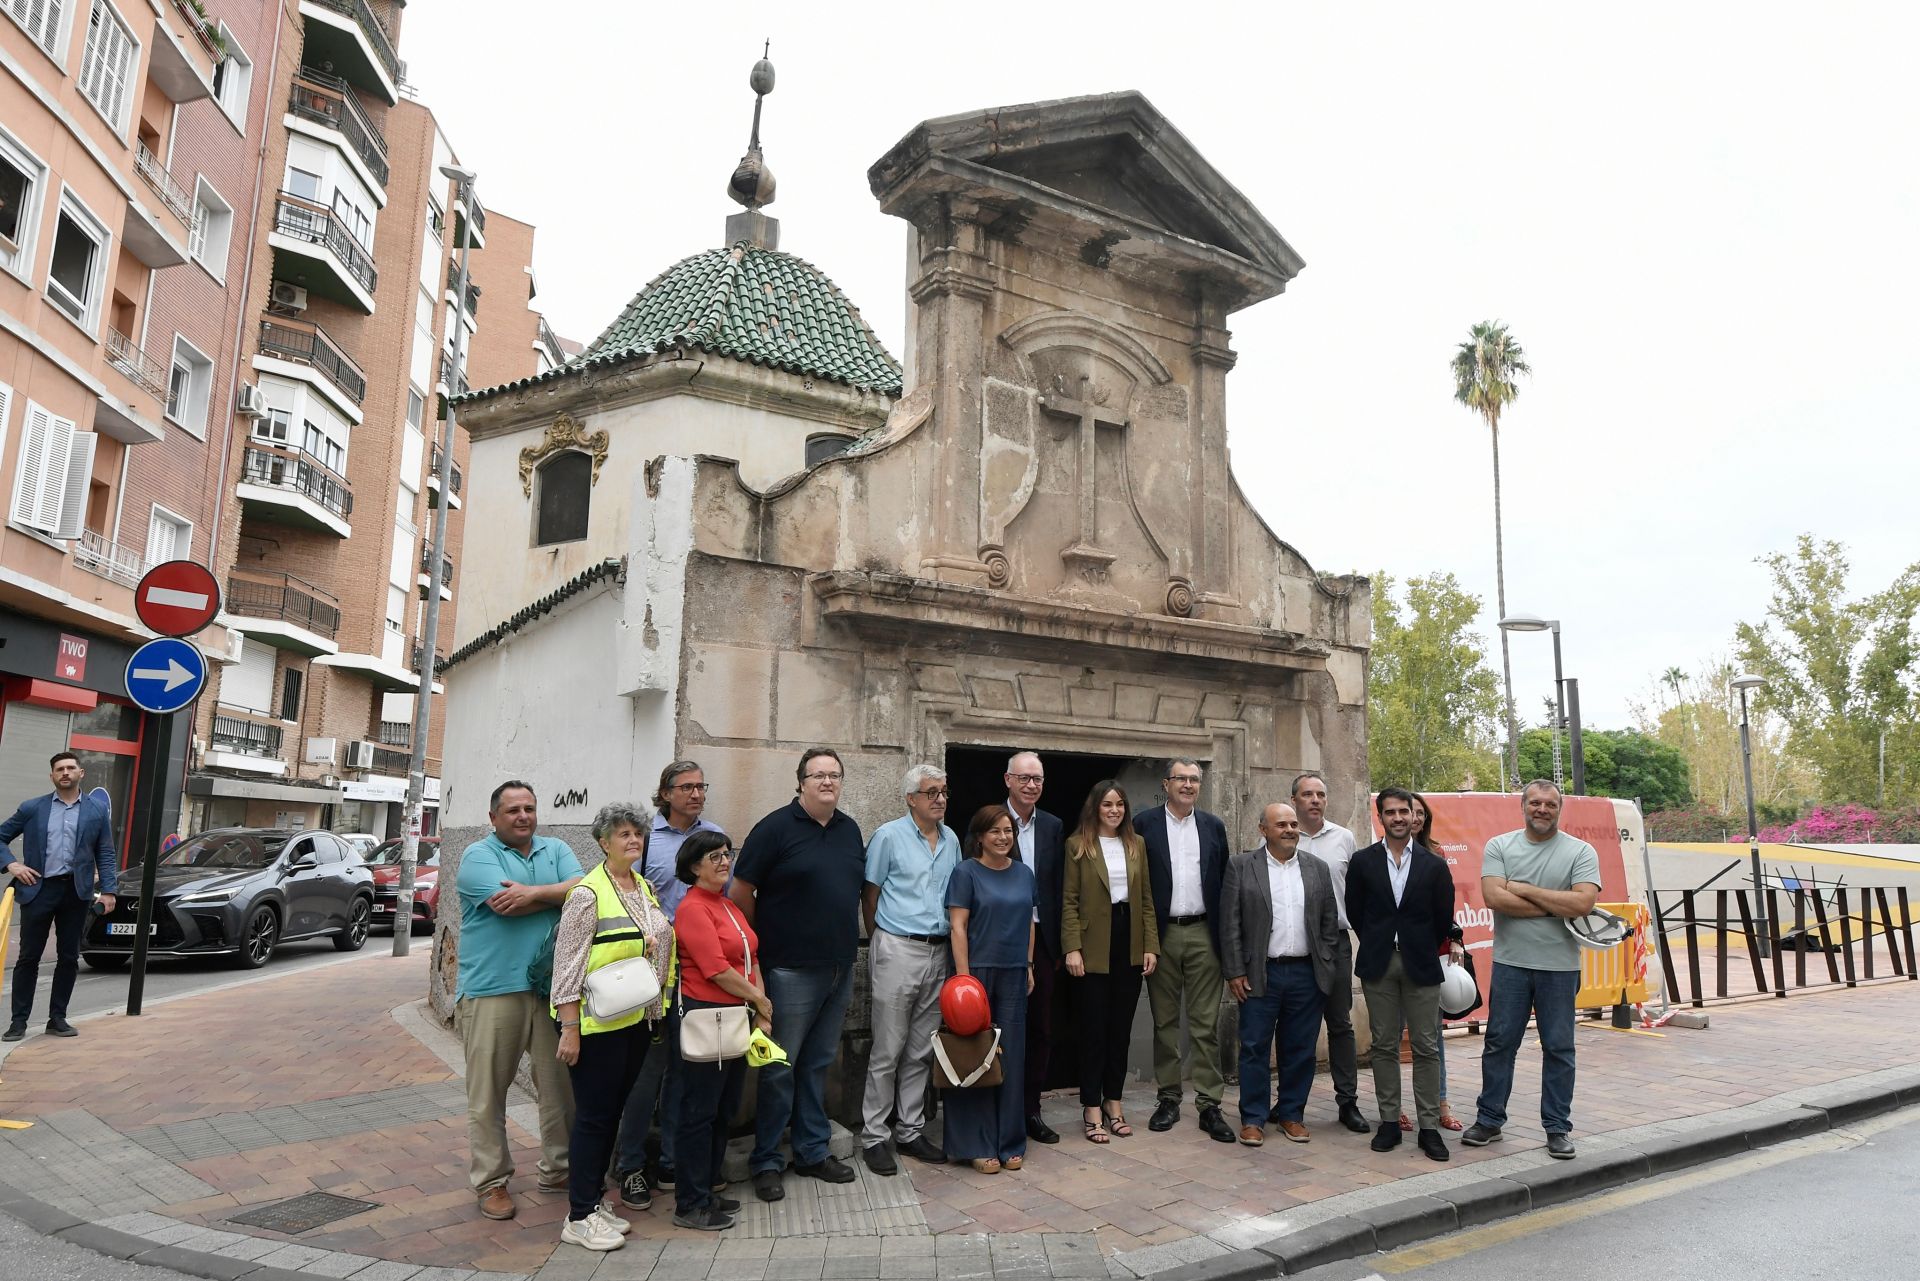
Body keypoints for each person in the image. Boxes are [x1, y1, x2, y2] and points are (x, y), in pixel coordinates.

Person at [732, 747, 866, 1202]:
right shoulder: (774, 828)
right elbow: (740, 891)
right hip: (788, 970)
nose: (828, 782)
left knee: (817, 1064)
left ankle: (811, 1151)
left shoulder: (850, 830)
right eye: (818, 775)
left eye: (835, 775)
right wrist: (761, 946)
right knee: (778, 1067)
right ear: (801, 782)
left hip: (839, 966)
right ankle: (767, 1160)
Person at [550, 803, 677, 1250]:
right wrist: (569, 1027)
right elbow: (567, 965)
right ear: (603, 842)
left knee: (611, 1116)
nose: (633, 841)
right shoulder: (587, 894)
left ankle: (593, 1200)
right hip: (594, 1025)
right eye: (623, 834)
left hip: (635, 1020)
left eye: (637, 834)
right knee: (594, 1118)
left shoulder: (640, 886)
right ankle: (579, 1215)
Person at [456, 781, 583, 1221]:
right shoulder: (478, 856)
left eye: (529, 808)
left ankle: (559, 1170)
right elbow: (503, 905)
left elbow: (584, 893)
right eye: (513, 810)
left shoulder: (556, 847)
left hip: (552, 992)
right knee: (489, 1093)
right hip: (493, 990)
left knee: (559, 1088)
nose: (523, 816)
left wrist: (531, 894)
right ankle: (491, 1181)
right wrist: (555, 896)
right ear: (494, 817)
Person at [1463, 781, 1601, 1161]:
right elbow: (1494, 897)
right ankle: (1489, 1120)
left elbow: (1585, 902)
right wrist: (1558, 905)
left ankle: (1557, 1128)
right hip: (1511, 965)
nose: (1542, 809)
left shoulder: (1580, 851)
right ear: (1523, 806)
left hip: (1560, 967)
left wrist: (1522, 889)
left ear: (1560, 809)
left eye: (1550, 804)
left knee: (1559, 1048)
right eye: (1535, 803)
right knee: (1499, 1044)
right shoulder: (1499, 846)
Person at [614, 760, 724, 1207]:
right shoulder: (643, 838)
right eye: (686, 787)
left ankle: (673, 1163)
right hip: (653, 974)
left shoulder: (713, 835)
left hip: (700, 974)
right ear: (665, 793)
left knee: (686, 1071)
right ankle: (630, 1165)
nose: (696, 794)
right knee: (646, 1074)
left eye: (701, 786)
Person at [859, 765, 960, 1175]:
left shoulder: (951, 839)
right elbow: (871, 893)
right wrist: (879, 942)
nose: (939, 798)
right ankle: (874, 1136)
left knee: (921, 1048)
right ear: (911, 799)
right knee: (887, 1047)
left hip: (938, 951)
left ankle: (910, 1129)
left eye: (944, 791)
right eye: (931, 792)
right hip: (898, 947)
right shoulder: (888, 836)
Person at [1346, 788, 1456, 1162]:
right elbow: (1355, 911)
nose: (1397, 817)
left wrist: (1417, 944)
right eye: (1389, 812)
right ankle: (1389, 1122)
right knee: (1384, 1045)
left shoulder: (1434, 864)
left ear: (1414, 816)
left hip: (1421, 964)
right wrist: (1379, 941)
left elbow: (1443, 918)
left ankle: (1428, 1127)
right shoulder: (1362, 862)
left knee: (1426, 1046)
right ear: (1380, 817)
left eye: (1403, 811)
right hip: (1379, 963)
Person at [1219, 803, 1339, 1145]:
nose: (1290, 829)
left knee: (1300, 1049)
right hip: (1260, 973)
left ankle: (1291, 1114)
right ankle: (1253, 1118)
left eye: (1293, 824)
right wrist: (1235, 971)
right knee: (1255, 1047)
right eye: (1281, 824)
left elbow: (1329, 922)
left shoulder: (1317, 868)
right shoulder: (1242, 866)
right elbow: (1230, 924)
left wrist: (1326, 964)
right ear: (1263, 830)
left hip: (1306, 974)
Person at [1135, 758, 1234, 1143]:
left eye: (1195, 780)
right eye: (1182, 779)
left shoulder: (1213, 826)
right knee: (1164, 1023)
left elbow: (1224, 884)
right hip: (1162, 935)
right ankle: (1169, 1098)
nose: (1189, 785)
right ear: (1167, 783)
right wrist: (1145, 940)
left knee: (1205, 1024)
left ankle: (1210, 1104)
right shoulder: (1143, 824)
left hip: (1203, 933)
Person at [673, 831, 768, 1231]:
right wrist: (760, 1001)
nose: (725, 861)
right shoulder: (693, 907)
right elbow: (714, 968)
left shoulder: (726, 904)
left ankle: (708, 1189)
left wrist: (758, 1006)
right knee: (699, 1112)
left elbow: (751, 957)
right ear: (694, 866)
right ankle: (689, 1203)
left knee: (723, 1109)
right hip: (708, 1015)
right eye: (714, 856)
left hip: (734, 1015)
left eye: (727, 854)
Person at [1061, 780, 1158, 1144]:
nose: (1114, 810)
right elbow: (1068, 900)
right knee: (1093, 1031)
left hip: (1128, 941)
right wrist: (1072, 947)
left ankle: (1113, 1102)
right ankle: (1091, 1107)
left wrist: (1151, 945)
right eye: (1107, 805)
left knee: (1120, 1029)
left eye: (1119, 804)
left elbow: (1146, 899)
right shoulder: (1077, 845)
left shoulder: (1137, 845)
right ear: (1095, 808)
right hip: (1092, 945)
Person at [944, 806, 1038, 1173]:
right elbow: (958, 927)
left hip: (1014, 973)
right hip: (976, 975)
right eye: (995, 831)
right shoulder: (965, 872)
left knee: (1011, 1058)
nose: (1003, 837)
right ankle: (975, 1144)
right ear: (979, 836)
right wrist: (965, 982)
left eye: (1008, 831)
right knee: (973, 1056)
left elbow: (1030, 922)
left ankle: (1009, 1141)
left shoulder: (1025, 874)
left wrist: (1029, 965)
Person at [2, 752, 117, 1042]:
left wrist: (109, 890)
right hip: (38, 889)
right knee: (28, 957)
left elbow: (105, 852)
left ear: (81, 773)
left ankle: (57, 1019)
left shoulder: (96, 810)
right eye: (59, 769)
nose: (65, 773)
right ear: (52, 776)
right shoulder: (33, 808)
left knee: (68, 957)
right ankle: (18, 1022)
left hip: (75, 892)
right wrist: (12, 864)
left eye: (70, 768)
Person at [1291, 773, 1369, 1133]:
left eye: (1320, 794)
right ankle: (1292, 1103)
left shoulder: (1344, 838)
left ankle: (1347, 1102)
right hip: (1294, 945)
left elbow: (1356, 891)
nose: (1315, 800)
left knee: (1340, 1023)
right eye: (1307, 794)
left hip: (1335, 942)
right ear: (1294, 800)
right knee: (1296, 1027)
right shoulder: (1284, 837)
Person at [1003, 751, 1066, 1144]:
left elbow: (1059, 885)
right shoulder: (990, 821)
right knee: (1000, 1028)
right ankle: (999, 1107)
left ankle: (1030, 1109)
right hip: (1001, 940)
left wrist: (1061, 944)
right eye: (1024, 778)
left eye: (1038, 779)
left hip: (1042, 942)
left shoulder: (1054, 826)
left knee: (1040, 1028)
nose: (1031, 785)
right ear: (1008, 780)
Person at [1408, 793, 1465, 1132]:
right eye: (1405, 812)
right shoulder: (1379, 854)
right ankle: (1397, 1106)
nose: (1412, 818)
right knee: (1395, 1038)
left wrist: (1455, 937)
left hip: (1432, 953)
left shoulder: (1437, 854)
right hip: (1395, 955)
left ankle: (1440, 1102)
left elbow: (1447, 905)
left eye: (1418, 812)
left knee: (1432, 1036)